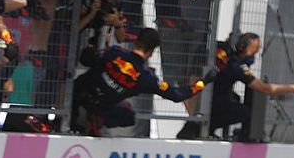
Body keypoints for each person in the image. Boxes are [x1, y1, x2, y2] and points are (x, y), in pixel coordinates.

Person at [72, 28, 207, 136]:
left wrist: (93, 44)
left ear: (136, 41)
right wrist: (203, 83)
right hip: (100, 109)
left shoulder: (114, 52)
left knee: (84, 83)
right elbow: (177, 95)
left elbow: (86, 58)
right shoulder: (147, 78)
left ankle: (71, 121)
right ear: (152, 51)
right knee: (128, 114)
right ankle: (94, 123)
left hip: (79, 94)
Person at [203, 33, 294, 140]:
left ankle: (207, 128)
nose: (254, 54)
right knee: (243, 112)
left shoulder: (226, 55)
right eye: (254, 50)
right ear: (242, 47)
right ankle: (206, 127)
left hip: (210, 95)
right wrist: (293, 88)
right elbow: (265, 88)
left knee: (235, 98)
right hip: (212, 99)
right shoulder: (235, 66)